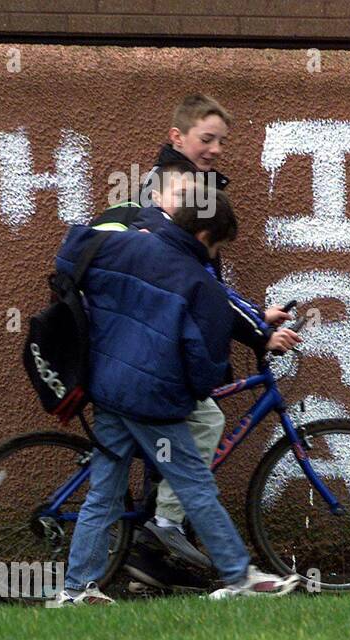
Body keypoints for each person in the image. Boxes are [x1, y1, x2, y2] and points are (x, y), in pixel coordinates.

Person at [54, 185, 300, 604]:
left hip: (108, 390)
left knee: (105, 491)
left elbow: (71, 254)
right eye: (217, 245)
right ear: (205, 237)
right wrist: (188, 390)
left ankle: (76, 589)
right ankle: (239, 577)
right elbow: (205, 367)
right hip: (152, 404)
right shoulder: (194, 281)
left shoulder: (127, 244)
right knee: (194, 486)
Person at [120, 96, 299, 591]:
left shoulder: (184, 184)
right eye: (207, 138)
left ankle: (150, 568)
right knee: (194, 432)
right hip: (166, 341)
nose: (217, 149)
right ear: (178, 138)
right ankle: (158, 548)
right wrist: (258, 329)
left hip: (164, 335)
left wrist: (254, 316)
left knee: (171, 452)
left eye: (223, 140)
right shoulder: (177, 191)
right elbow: (196, 280)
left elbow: (203, 282)